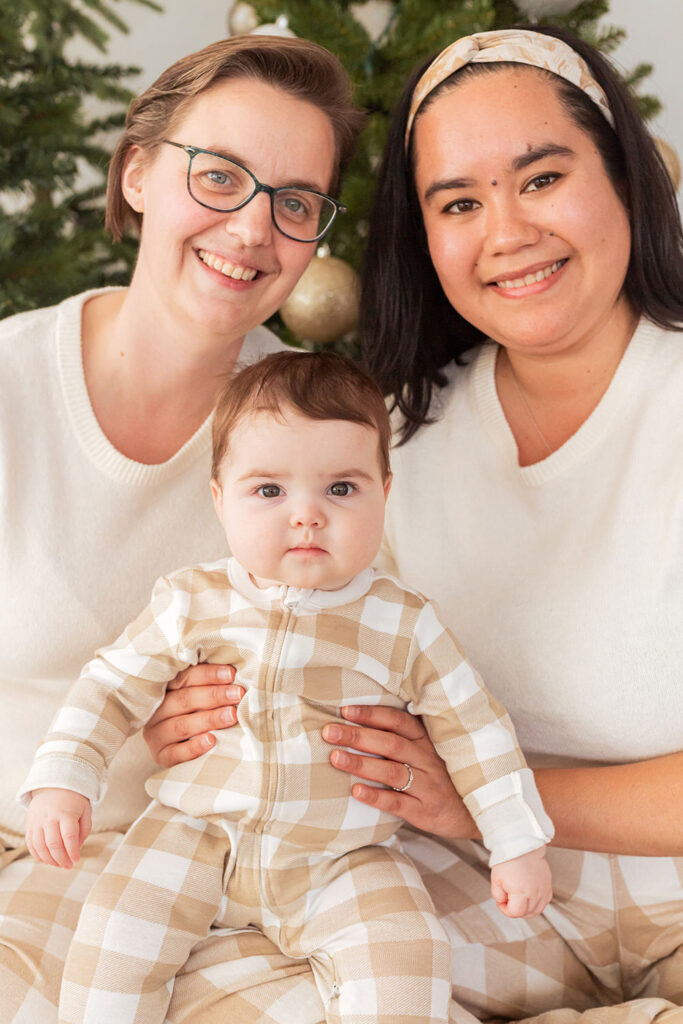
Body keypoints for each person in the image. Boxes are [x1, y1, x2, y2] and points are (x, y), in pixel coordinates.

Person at [139, 24, 683, 1024]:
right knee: (210, 983)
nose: (504, 232)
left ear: (622, 178)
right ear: (423, 237)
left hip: (624, 873)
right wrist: (202, 702)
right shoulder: (393, 436)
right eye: (457, 203)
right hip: (504, 885)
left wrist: (490, 796)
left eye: (539, 178)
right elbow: (314, 631)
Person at [0, 35, 365, 1023]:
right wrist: (118, 739)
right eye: (220, 176)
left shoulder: (322, 433)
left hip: (220, 873)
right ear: (140, 173)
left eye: (294, 201)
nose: (252, 229)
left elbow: (354, 670)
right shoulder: (12, 389)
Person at [22, 351, 553, 1024]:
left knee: (406, 951)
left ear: (384, 493)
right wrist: (66, 775)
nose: (306, 515)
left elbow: (474, 728)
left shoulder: (402, 621)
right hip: (193, 833)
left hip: (341, 854)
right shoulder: (192, 600)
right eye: (269, 491)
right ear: (220, 499)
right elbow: (111, 686)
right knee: (113, 939)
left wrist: (514, 842)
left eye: (340, 489)